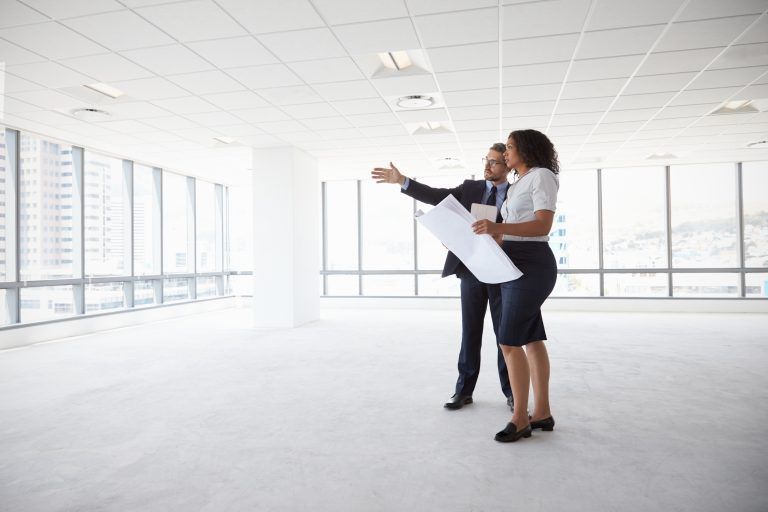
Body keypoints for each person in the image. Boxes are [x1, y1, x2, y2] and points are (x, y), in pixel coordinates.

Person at [371, 143, 514, 411]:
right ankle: (464, 391)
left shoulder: (516, 194)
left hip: (500, 272)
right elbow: (436, 196)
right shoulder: (470, 188)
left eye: (494, 162)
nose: (487, 166)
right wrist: (402, 181)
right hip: (470, 270)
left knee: (504, 335)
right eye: (486, 160)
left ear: (507, 166)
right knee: (470, 332)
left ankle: (512, 393)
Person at [472, 129, 559, 443]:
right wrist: (488, 236)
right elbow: (510, 231)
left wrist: (499, 227)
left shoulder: (542, 177)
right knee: (531, 338)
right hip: (511, 261)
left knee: (508, 341)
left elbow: (543, 224)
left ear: (527, 149)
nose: (505, 153)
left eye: (509, 147)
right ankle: (542, 413)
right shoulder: (518, 183)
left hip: (532, 263)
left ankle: (520, 418)